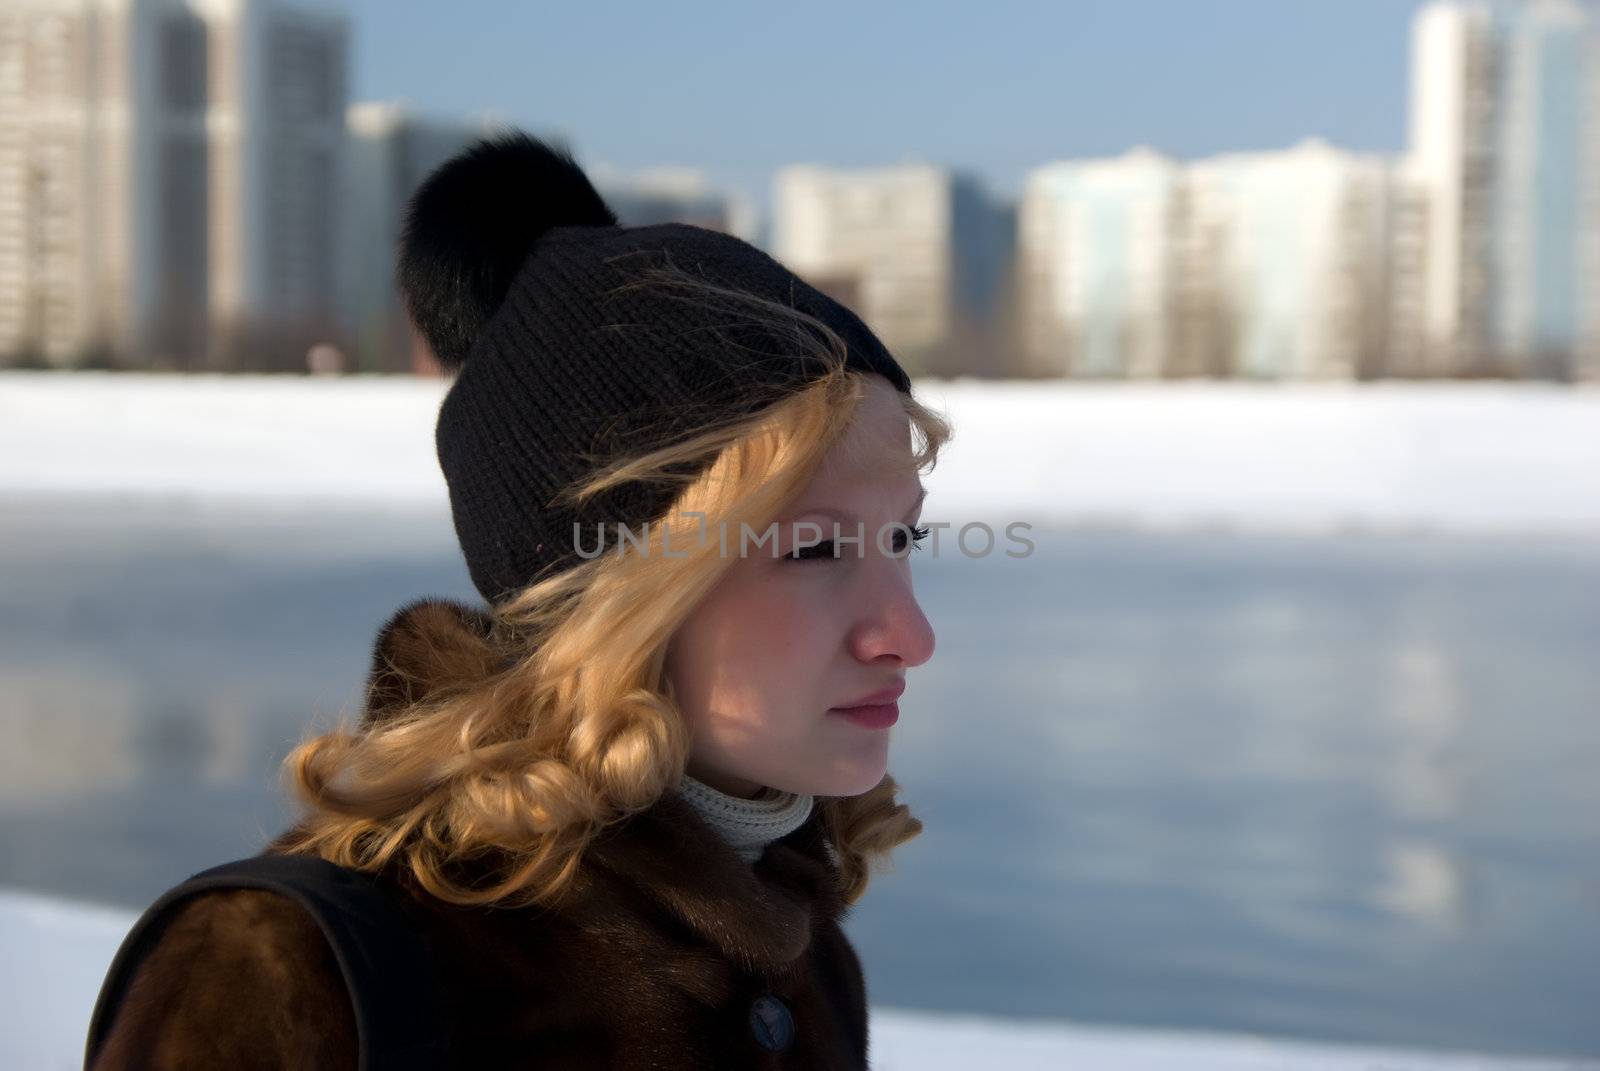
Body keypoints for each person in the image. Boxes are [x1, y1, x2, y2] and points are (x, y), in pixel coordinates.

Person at [86, 130, 952, 1070]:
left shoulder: (803, 953)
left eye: (902, 539)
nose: (909, 633)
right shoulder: (287, 973)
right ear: (609, 593)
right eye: (815, 546)